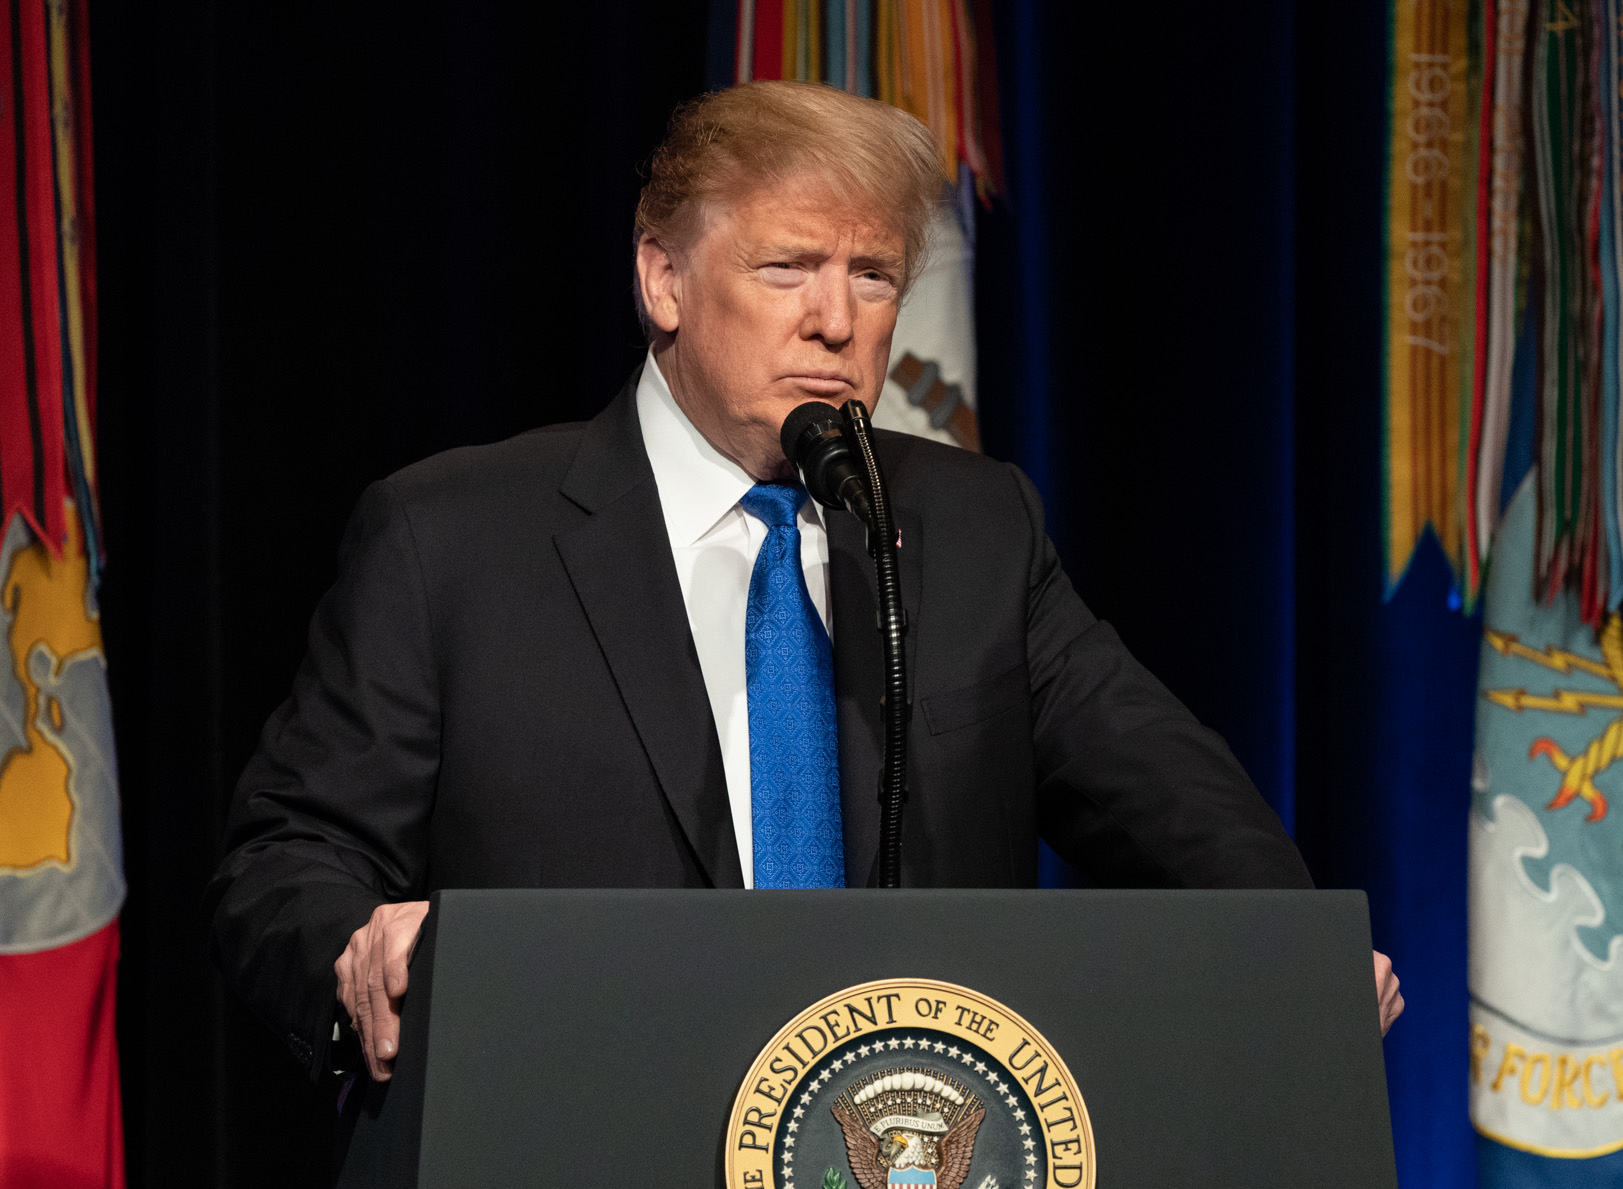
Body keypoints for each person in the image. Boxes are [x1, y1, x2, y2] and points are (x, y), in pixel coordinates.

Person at [206, 81, 1403, 1087]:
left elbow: (1169, 799)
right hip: (573, 1169)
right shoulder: (453, 538)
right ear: (662, 281)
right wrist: (356, 953)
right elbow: (286, 860)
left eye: (873, 276)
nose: (835, 319)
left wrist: (1290, 953)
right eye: (786, 267)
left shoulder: (974, 527)